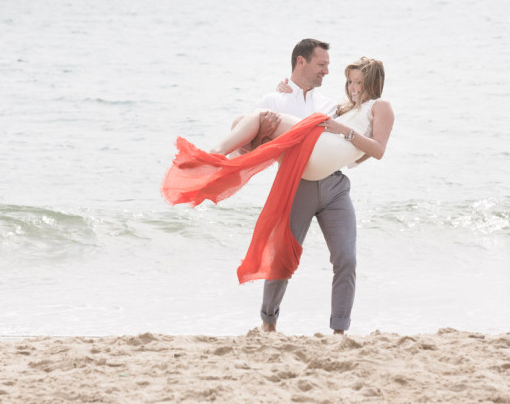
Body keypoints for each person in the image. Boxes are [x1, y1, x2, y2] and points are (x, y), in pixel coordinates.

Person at [161, 40, 394, 335]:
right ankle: (268, 322)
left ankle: (340, 331)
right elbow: (251, 140)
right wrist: (276, 103)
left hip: (334, 185)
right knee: (282, 255)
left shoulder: (334, 108)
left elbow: (362, 145)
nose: (328, 72)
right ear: (301, 62)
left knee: (346, 258)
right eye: (322, 65)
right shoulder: (275, 99)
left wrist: (348, 136)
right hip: (299, 182)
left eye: (355, 81)